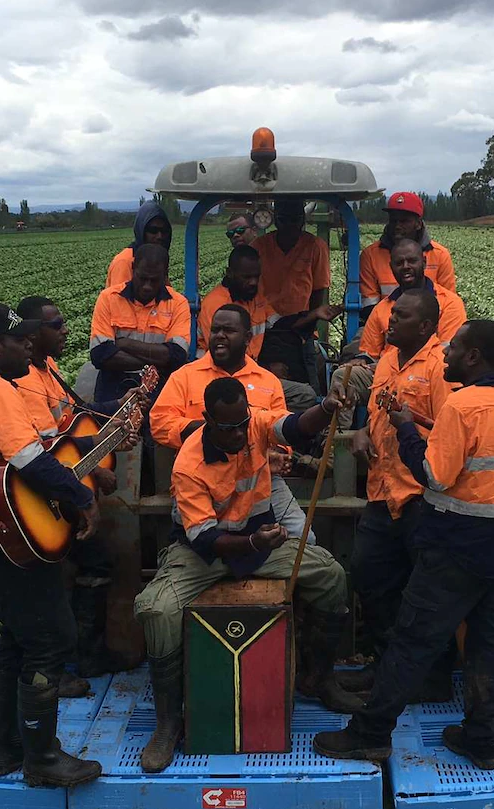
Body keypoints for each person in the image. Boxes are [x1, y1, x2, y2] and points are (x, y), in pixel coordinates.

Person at [313, 320, 494, 770]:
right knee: (487, 645)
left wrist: (405, 430)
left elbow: (433, 474)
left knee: (411, 641)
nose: (445, 355)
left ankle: (370, 734)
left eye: (453, 349)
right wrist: (422, 422)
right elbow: (479, 454)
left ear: (473, 357)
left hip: (456, 547)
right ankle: (483, 740)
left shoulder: (462, 405)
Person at [135, 375, 362, 772]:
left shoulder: (252, 423)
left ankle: (320, 678)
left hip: (260, 545)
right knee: (157, 610)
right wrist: (255, 543)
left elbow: (292, 426)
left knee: (331, 575)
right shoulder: (188, 464)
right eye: (228, 428)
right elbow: (205, 540)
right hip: (206, 554)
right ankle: (169, 723)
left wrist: (325, 408)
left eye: (243, 423)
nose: (240, 433)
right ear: (207, 419)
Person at [0, 305, 114, 787]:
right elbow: (28, 461)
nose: (29, 345)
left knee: (17, 638)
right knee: (50, 639)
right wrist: (82, 496)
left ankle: (8, 748)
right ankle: (41, 758)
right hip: (6, 531)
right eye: (18, 340)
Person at [15, 295, 141, 680]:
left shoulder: (48, 368)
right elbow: (41, 452)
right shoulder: (20, 380)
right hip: (35, 495)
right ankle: (52, 672)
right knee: (51, 579)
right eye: (57, 325)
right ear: (33, 335)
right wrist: (86, 483)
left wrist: (110, 425)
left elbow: (69, 431)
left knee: (96, 560)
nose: (66, 330)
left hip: (59, 485)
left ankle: (87, 656)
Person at [345, 289, 456, 694]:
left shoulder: (442, 366)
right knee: (369, 575)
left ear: (425, 327)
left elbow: (450, 432)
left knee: (426, 591)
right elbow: (377, 413)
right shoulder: (388, 360)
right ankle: (384, 664)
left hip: (419, 496)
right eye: (392, 315)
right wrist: (361, 431)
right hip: (381, 490)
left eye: (402, 317)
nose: (390, 322)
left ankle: (434, 676)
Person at [151, 304, 312, 542]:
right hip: (202, 481)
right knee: (201, 543)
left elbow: (279, 426)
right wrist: (212, 432)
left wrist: (275, 452)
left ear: (247, 338)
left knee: (304, 537)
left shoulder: (268, 381)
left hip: (260, 481)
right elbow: (160, 423)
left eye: (228, 330)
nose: (219, 336)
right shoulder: (184, 376)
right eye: (215, 330)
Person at [331, 238, 466, 426]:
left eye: (411, 261)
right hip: (386, 370)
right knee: (343, 376)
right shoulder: (382, 308)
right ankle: (339, 441)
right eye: (399, 263)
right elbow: (369, 353)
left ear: (424, 262)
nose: (406, 267)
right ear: (391, 267)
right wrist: (364, 362)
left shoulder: (449, 303)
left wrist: (410, 369)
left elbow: (448, 351)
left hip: (432, 371)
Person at [254, 198, 341, 390]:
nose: (290, 225)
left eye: (295, 219)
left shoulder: (315, 246)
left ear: (303, 220)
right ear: (276, 220)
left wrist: (308, 324)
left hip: (300, 328)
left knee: (309, 383)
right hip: (265, 328)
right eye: (284, 219)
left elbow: (319, 290)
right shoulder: (259, 246)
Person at [90, 243, 190, 404]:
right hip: (114, 387)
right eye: (142, 278)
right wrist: (155, 363)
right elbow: (100, 354)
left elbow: (177, 356)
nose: (147, 286)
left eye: (154, 280)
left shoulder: (178, 303)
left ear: (165, 275)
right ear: (133, 269)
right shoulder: (108, 298)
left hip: (159, 389)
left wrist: (124, 343)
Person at [360, 191, 456, 318]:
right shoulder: (370, 255)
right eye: (393, 220)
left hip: (430, 325)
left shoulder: (440, 255)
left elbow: (448, 303)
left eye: (404, 221)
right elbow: (369, 306)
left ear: (418, 224)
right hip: (384, 324)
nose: (397, 226)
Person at [196, 246, 278, 360]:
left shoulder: (254, 296)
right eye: (247, 277)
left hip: (250, 363)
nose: (253, 282)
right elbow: (221, 350)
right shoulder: (216, 303)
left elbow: (276, 324)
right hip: (217, 368)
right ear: (229, 273)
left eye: (256, 276)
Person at [105, 201, 172, 290]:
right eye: (153, 230)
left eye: (164, 231)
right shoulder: (125, 262)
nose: (160, 236)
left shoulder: (157, 260)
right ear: (141, 231)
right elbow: (119, 301)